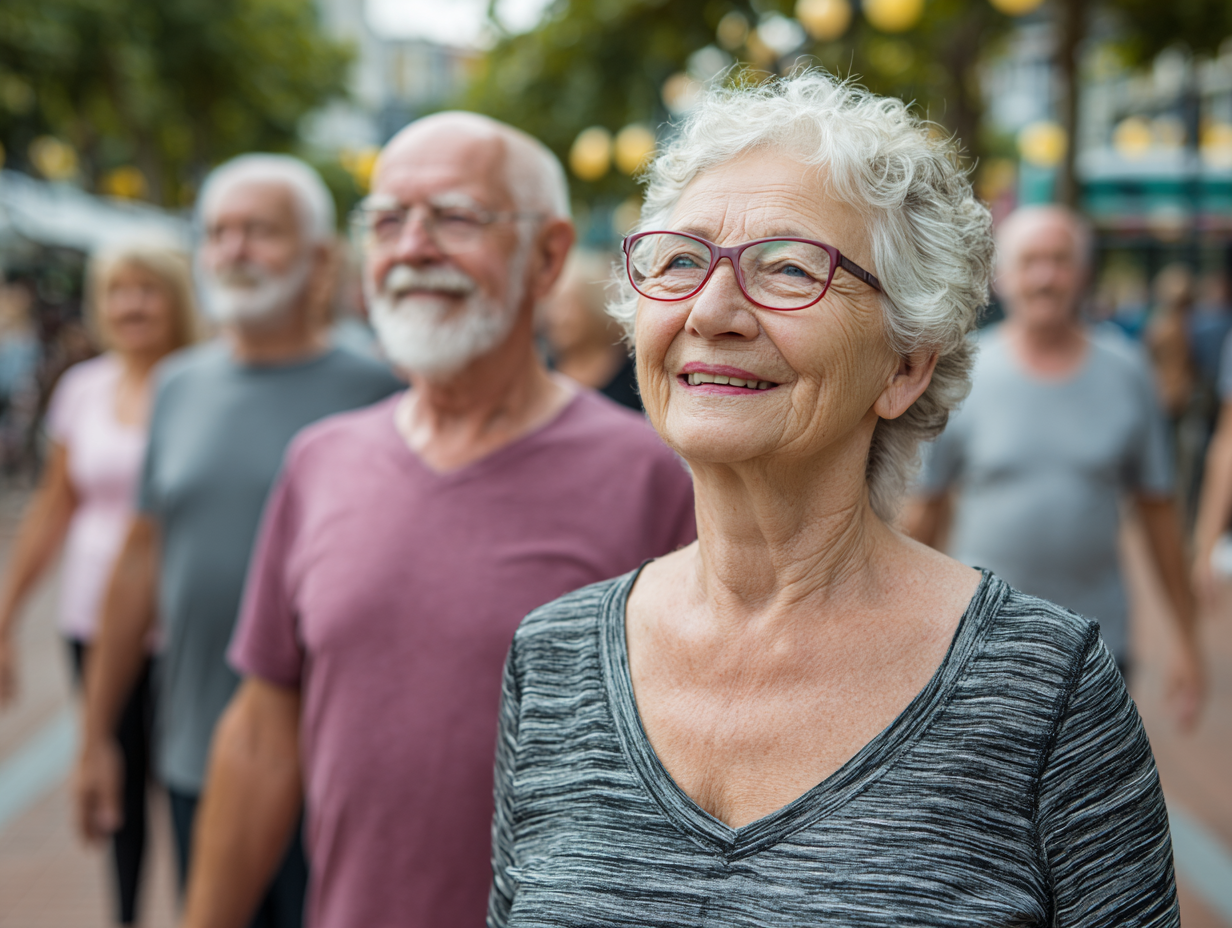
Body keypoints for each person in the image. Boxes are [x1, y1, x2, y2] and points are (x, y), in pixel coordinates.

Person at [489, 72, 1179, 927]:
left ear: (905, 365)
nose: (712, 309)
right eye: (679, 259)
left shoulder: (1045, 691)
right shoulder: (552, 662)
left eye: (787, 269)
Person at [180, 113, 696, 928]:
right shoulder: (320, 462)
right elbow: (260, 735)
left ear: (549, 255)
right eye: (387, 220)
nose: (413, 247)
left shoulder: (656, 479)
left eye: (454, 217)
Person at [74, 155, 402, 928]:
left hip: (343, 772)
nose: (233, 251)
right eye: (218, 232)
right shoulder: (178, 385)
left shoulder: (383, 392)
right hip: (196, 756)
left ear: (321, 257)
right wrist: (95, 735)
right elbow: (141, 559)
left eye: (260, 232)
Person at [906, 205, 1202, 725]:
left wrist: (1186, 639)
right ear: (1001, 276)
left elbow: (1158, 512)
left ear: (1084, 273)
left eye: (1061, 260)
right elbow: (922, 516)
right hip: (980, 644)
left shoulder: (1127, 372)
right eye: (1031, 261)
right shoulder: (958, 375)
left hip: (1099, 647)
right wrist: (904, 634)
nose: (1046, 277)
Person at [0, 243, 196, 925]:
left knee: (189, 786)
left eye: (148, 289)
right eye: (118, 291)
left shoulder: (201, 383)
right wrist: (7, 616)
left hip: (186, 626)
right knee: (112, 784)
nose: (132, 305)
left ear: (177, 297)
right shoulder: (82, 388)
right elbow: (54, 505)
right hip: (90, 619)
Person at [541, 249, 641, 410]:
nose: (557, 317)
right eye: (553, 305)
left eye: (568, 305)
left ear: (592, 305)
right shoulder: (543, 373)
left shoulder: (634, 373)